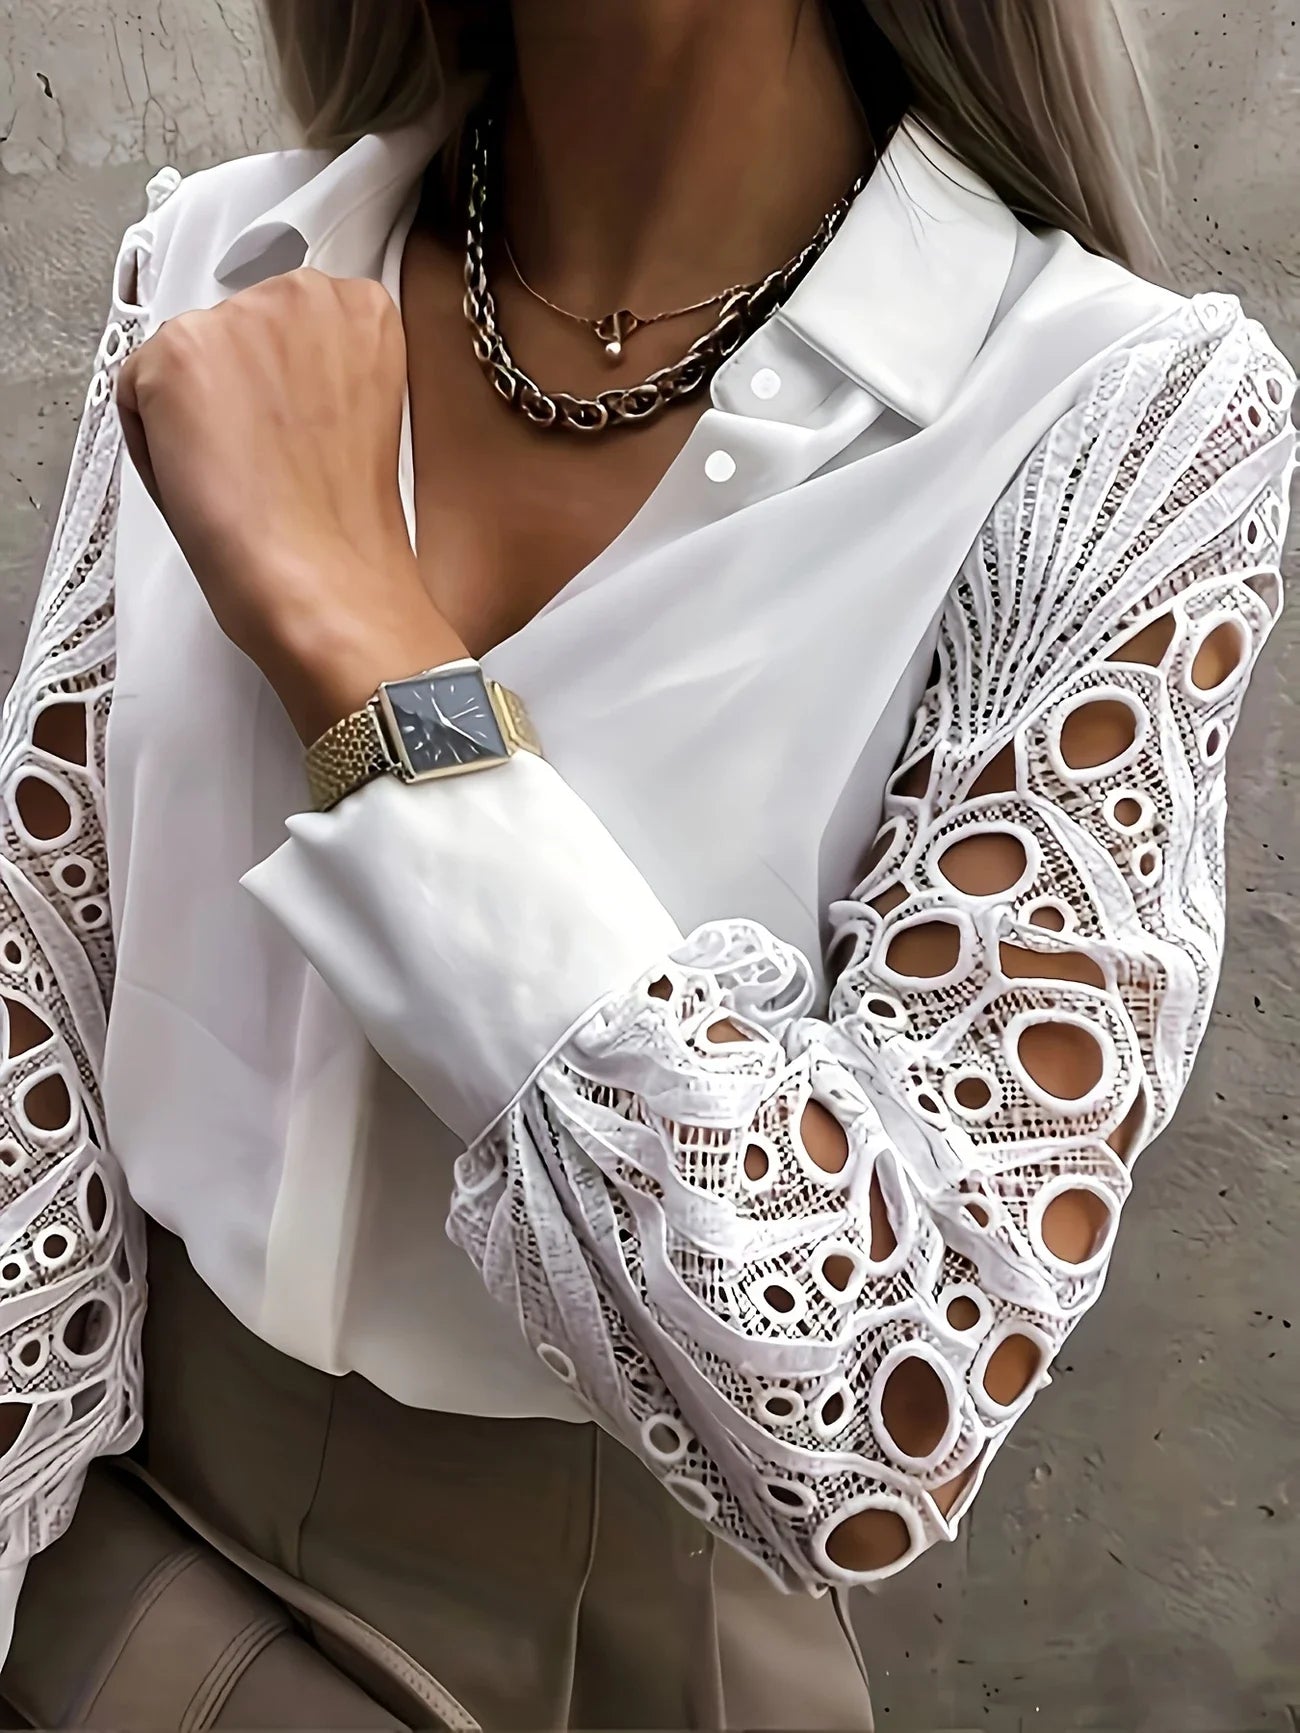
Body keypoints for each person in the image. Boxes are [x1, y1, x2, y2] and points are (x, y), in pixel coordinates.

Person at [0, 0, 1293, 1727]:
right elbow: (34, 1001)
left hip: (616, 1663)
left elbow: (869, 1400)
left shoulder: (1112, 423)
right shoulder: (213, 266)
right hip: (107, 1577)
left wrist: (373, 662)